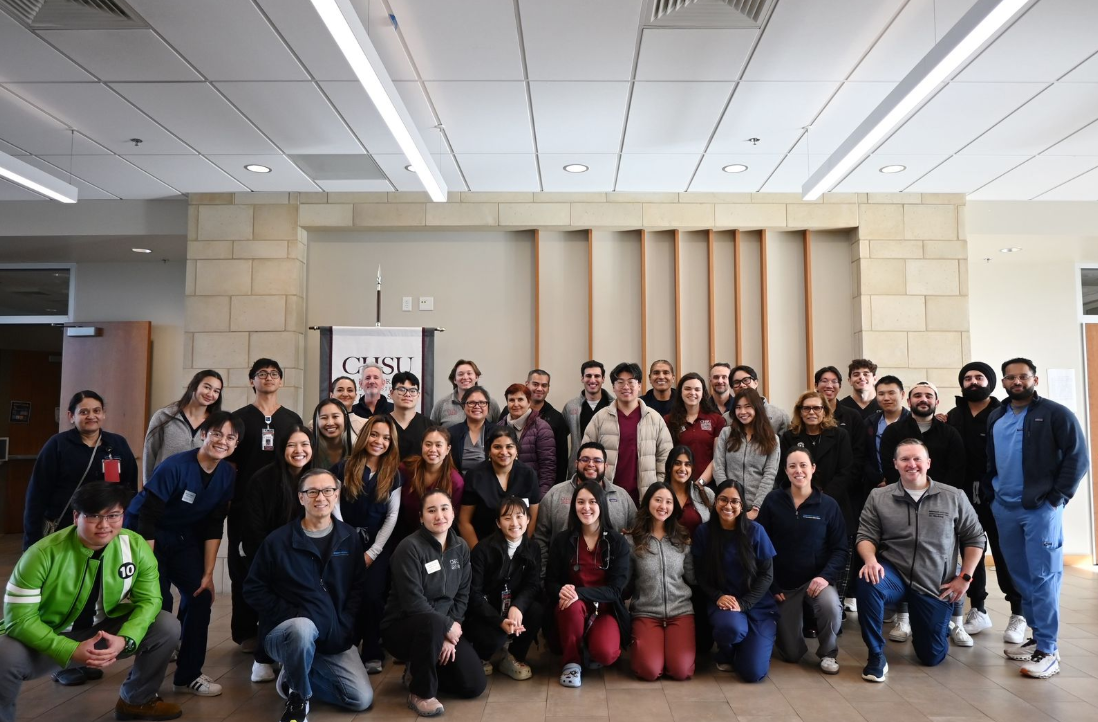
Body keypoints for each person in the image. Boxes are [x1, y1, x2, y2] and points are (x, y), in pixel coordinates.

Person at [0, 482, 181, 722]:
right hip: (48, 635)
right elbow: (19, 619)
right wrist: (68, 649)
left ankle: (137, 701)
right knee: (3, 654)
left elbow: (150, 600)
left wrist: (126, 638)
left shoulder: (135, 545)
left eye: (113, 515)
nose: (104, 525)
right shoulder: (41, 554)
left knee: (166, 625)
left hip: (102, 631)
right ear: (77, 517)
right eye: (94, 516)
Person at [126, 411, 241, 697]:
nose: (222, 441)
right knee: (158, 604)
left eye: (230, 437)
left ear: (236, 444)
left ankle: (188, 675)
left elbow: (214, 523)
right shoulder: (175, 466)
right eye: (217, 434)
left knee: (200, 596)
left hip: (181, 536)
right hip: (145, 535)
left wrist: (208, 573)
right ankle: (143, 685)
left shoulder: (227, 474)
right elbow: (147, 517)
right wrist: (147, 567)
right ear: (203, 434)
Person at [985, 358, 1088, 679]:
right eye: (1010, 377)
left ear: (1035, 379)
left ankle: (1048, 650)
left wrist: (1056, 498)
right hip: (1004, 508)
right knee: (1020, 577)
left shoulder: (1056, 414)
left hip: (1040, 509)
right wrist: (991, 495)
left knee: (1043, 576)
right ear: (1003, 382)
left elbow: (1078, 458)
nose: (1017, 382)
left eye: (1023, 376)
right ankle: (1036, 636)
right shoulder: (997, 415)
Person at [245, 469, 373, 722]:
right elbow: (253, 588)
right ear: (301, 497)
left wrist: (345, 624)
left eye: (327, 491)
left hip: (333, 634)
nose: (320, 497)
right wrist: (294, 615)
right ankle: (298, 699)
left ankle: (292, 676)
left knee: (360, 699)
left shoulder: (349, 537)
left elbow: (357, 588)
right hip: (288, 633)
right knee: (302, 629)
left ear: (336, 495)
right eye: (312, 491)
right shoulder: (278, 541)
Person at [856, 439, 984, 682]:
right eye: (905, 459)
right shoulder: (879, 496)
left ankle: (936, 626)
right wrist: (870, 560)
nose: (911, 464)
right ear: (895, 464)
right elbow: (865, 535)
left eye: (917, 459)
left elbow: (975, 537)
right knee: (868, 581)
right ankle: (876, 655)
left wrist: (965, 577)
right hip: (893, 574)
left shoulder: (954, 496)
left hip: (934, 582)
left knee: (932, 656)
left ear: (928, 463)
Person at [382, 489, 487, 716]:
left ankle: (419, 670)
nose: (439, 515)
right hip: (404, 628)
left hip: (443, 627)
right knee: (431, 622)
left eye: (444, 508)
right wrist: (445, 626)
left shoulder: (461, 547)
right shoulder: (409, 548)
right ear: (421, 517)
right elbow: (413, 602)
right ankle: (420, 693)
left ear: (453, 513)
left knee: (474, 685)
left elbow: (462, 595)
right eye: (431, 511)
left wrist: (450, 632)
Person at [945, 362, 1025, 643]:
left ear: (990, 382)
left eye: (979, 377)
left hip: (998, 494)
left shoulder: (1004, 413)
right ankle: (977, 609)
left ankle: (1018, 613)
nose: (973, 382)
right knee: (971, 552)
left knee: (1004, 552)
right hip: (963, 496)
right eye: (967, 378)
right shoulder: (953, 415)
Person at [228, 358, 303, 653]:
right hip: (244, 505)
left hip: (283, 505)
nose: (268, 377)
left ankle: (279, 627)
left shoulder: (291, 419)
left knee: (283, 567)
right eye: (262, 373)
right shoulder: (239, 419)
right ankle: (246, 631)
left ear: (281, 381)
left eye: (274, 374)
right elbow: (229, 462)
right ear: (252, 381)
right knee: (244, 567)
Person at [757, 448, 847, 675]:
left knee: (831, 606)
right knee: (791, 654)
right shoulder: (772, 501)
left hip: (817, 581)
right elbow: (760, 546)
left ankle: (828, 653)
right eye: (793, 466)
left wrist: (824, 577)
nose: (798, 471)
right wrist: (772, 585)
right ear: (786, 471)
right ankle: (786, 639)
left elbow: (840, 549)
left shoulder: (828, 505)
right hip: (783, 586)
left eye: (803, 465)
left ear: (813, 468)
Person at [240, 425, 315, 683]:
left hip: (306, 557)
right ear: (282, 449)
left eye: (305, 444)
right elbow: (253, 529)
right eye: (292, 445)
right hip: (267, 555)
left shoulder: (316, 478)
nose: (299, 450)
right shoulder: (263, 479)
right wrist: (276, 560)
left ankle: (290, 653)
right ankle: (262, 658)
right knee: (275, 595)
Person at [330, 414, 403, 674]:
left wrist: (372, 552)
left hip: (377, 545)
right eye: (374, 434)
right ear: (364, 436)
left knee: (372, 596)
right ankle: (345, 647)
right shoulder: (343, 467)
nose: (379, 441)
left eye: (386, 438)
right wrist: (348, 543)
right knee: (345, 595)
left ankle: (372, 651)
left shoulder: (394, 474)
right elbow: (334, 506)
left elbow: (392, 516)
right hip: (343, 541)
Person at [24, 390, 139, 552]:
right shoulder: (57, 445)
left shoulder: (118, 443)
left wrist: (127, 525)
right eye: (84, 412)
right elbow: (37, 494)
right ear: (71, 416)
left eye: (96, 411)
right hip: (66, 526)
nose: (91, 416)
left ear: (103, 414)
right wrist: (30, 541)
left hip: (107, 527)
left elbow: (130, 489)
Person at [545, 481, 631, 688]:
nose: (586, 507)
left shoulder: (617, 542)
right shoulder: (562, 540)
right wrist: (562, 590)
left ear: (601, 505)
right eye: (580, 502)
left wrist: (579, 592)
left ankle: (588, 645)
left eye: (592, 502)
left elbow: (615, 590)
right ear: (574, 506)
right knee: (571, 604)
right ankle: (571, 663)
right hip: (571, 611)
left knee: (606, 653)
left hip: (605, 611)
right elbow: (550, 582)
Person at [692, 480, 778, 683]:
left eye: (734, 501)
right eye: (723, 499)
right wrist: (717, 596)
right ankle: (727, 651)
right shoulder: (704, 532)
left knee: (753, 673)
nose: (728, 506)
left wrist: (745, 603)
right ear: (715, 502)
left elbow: (767, 575)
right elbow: (700, 574)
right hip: (724, 603)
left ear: (742, 505)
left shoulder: (756, 531)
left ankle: (751, 645)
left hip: (756, 604)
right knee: (731, 629)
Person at [775, 391, 855, 607]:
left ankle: (835, 606)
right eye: (806, 408)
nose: (811, 412)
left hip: (834, 503)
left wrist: (822, 499)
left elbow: (846, 471)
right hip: (798, 505)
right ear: (800, 412)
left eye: (817, 408)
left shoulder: (839, 435)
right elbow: (785, 471)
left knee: (835, 555)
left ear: (825, 411)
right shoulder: (789, 437)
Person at [466, 497, 543, 680]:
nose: (514, 523)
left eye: (519, 516)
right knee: (495, 637)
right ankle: (482, 656)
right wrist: (499, 621)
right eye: (507, 518)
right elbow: (474, 594)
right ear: (498, 523)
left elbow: (532, 585)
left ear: (528, 519)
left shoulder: (533, 548)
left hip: (512, 606)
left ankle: (513, 657)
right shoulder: (482, 550)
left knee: (537, 610)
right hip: (487, 611)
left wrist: (518, 606)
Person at [534, 442, 637, 578]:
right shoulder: (555, 494)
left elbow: (637, 534)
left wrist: (626, 579)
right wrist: (543, 577)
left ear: (606, 466)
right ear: (576, 463)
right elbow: (540, 538)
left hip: (613, 582)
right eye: (585, 459)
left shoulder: (622, 496)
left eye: (597, 460)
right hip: (563, 582)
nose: (591, 464)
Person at [627, 482, 696, 681]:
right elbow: (627, 582)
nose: (663, 506)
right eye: (658, 500)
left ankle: (670, 653)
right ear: (648, 502)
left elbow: (692, 577)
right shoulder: (632, 540)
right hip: (646, 612)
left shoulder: (682, 539)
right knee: (648, 671)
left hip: (680, 612)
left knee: (681, 671)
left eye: (668, 502)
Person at [581, 362, 673, 504]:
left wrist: (656, 487)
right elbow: (586, 456)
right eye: (620, 382)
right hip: (607, 496)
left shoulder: (654, 418)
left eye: (631, 382)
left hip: (645, 497)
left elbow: (665, 457)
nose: (626, 387)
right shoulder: (600, 418)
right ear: (613, 387)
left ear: (639, 385)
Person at [459, 426, 541, 547]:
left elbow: (533, 518)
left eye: (509, 447)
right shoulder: (475, 476)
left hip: (519, 547)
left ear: (517, 450)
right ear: (489, 451)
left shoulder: (528, 475)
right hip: (483, 546)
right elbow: (464, 521)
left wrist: (520, 549)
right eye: (497, 447)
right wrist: (478, 552)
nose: (503, 452)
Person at [142, 370, 224, 483]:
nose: (210, 394)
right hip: (163, 484)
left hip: (196, 487)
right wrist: (148, 486)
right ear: (193, 386)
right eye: (207, 387)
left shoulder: (217, 424)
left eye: (216, 391)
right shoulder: (164, 416)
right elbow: (150, 453)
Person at [713, 389, 779, 516]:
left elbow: (770, 474)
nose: (742, 412)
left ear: (757, 408)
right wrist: (729, 499)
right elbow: (718, 467)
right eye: (738, 407)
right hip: (729, 506)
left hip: (759, 507)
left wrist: (756, 507)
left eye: (747, 406)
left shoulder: (772, 439)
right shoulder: (726, 433)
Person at [398, 426, 465, 540]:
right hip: (402, 534)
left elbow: (450, 520)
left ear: (448, 449)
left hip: (436, 537)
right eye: (428, 444)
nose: (432, 449)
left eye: (438, 445)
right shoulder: (406, 469)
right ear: (422, 445)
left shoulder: (455, 482)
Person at [664, 373, 725, 485]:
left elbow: (718, 458)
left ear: (703, 393)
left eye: (697, 389)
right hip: (678, 483)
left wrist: (700, 483)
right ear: (680, 392)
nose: (692, 393)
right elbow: (666, 456)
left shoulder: (716, 420)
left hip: (708, 485)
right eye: (687, 389)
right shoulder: (668, 420)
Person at [500, 383, 557, 494]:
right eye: (511, 400)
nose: (516, 404)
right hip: (504, 493)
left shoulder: (542, 428)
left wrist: (541, 497)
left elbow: (547, 468)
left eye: (520, 399)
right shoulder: (499, 427)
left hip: (531, 493)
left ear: (529, 402)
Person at [562, 360, 614, 477]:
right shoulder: (570, 407)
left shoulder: (614, 406)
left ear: (603, 379)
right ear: (582, 378)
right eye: (588, 376)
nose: (592, 380)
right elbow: (560, 439)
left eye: (597, 376)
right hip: (580, 469)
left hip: (607, 470)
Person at [814, 366, 866, 471]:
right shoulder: (808, 415)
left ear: (840, 386)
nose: (829, 385)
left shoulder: (852, 416)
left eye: (834, 381)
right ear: (816, 385)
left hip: (846, 476)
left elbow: (859, 454)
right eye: (824, 381)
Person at [527, 369, 570, 484]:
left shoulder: (557, 418)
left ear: (548, 388)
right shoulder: (512, 412)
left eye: (544, 385)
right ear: (527, 384)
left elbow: (562, 457)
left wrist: (558, 487)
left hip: (546, 482)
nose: (539, 388)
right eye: (535, 384)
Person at [431, 359, 501, 426]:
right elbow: (432, 430)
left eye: (469, 373)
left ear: (476, 377)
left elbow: (499, 429)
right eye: (460, 374)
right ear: (454, 379)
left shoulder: (490, 403)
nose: (465, 377)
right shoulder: (442, 404)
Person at [664, 446, 714, 537]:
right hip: (669, 545)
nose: (682, 468)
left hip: (700, 545)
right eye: (677, 463)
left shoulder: (705, 493)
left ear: (692, 468)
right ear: (669, 467)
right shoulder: (659, 494)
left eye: (687, 464)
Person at [727, 366, 791, 435]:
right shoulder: (727, 418)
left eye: (746, 380)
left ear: (756, 382)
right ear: (732, 387)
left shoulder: (779, 416)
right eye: (736, 382)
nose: (742, 385)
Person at [447, 386, 495, 476]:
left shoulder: (497, 432)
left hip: (489, 483)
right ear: (463, 406)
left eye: (482, 403)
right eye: (472, 403)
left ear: (488, 406)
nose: (477, 406)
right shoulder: (452, 433)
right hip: (460, 483)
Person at [391, 371, 431, 460]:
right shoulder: (381, 423)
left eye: (413, 391)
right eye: (402, 390)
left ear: (418, 395)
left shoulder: (430, 426)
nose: (407, 394)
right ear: (391, 393)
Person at [311, 398, 354, 469]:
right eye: (324, 418)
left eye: (335, 416)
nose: (330, 423)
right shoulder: (309, 450)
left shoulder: (357, 450)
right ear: (316, 421)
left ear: (345, 419)